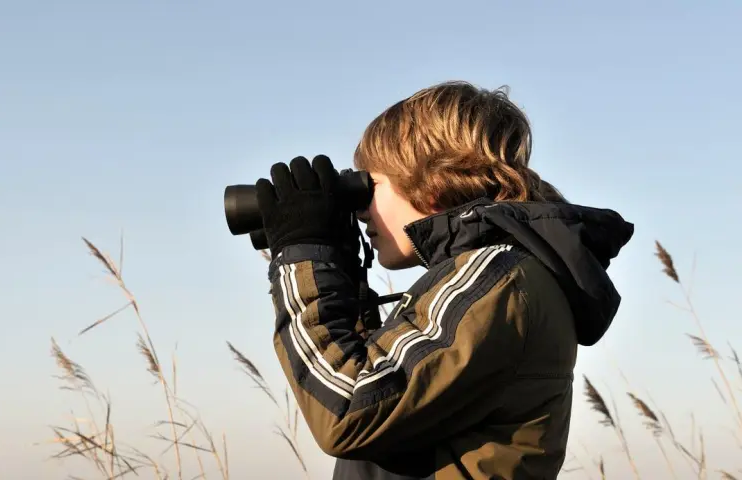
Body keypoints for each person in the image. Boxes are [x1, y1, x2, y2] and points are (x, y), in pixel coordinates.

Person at [253, 81, 634, 479]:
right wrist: (340, 274)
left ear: (432, 182)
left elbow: (349, 408)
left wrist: (303, 253)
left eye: (371, 186)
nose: (363, 211)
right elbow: (388, 386)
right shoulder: (496, 275)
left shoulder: (496, 278)